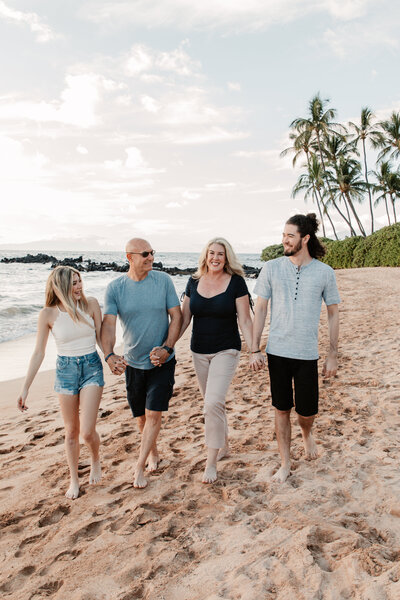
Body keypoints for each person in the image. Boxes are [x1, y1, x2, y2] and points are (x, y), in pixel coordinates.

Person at [250, 213, 340, 483]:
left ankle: (307, 433)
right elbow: (261, 308)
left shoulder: (324, 272)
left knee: (307, 412)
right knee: (281, 408)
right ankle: (285, 463)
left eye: (290, 235)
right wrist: (254, 348)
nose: (284, 240)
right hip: (277, 351)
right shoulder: (272, 267)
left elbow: (333, 313)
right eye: (283, 235)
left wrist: (332, 354)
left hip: (307, 354)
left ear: (305, 239)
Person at [101, 238, 182, 489]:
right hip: (133, 364)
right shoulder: (115, 288)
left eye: (152, 253)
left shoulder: (163, 281)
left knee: (154, 413)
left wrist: (167, 348)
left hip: (161, 362)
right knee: (141, 418)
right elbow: (109, 326)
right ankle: (154, 452)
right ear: (130, 257)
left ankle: (139, 467)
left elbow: (176, 316)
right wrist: (109, 354)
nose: (150, 257)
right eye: (145, 254)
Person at [17, 266, 104, 499]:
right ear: (61, 286)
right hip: (65, 371)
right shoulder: (48, 314)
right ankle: (74, 479)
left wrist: (111, 357)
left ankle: (95, 459)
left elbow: (101, 338)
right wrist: (26, 387)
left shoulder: (91, 304)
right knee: (71, 432)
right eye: (73, 283)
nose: (79, 286)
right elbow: (38, 352)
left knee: (86, 432)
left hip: (91, 368)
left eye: (79, 281)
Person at [179, 237, 253, 484]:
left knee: (211, 404)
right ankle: (225, 444)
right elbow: (184, 318)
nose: (215, 258)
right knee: (214, 404)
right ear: (205, 255)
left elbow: (245, 320)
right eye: (211, 253)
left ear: (227, 257)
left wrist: (254, 349)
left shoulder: (236, 283)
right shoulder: (193, 281)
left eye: (220, 254)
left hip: (226, 350)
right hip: (198, 351)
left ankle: (211, 463)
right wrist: (167, 345)